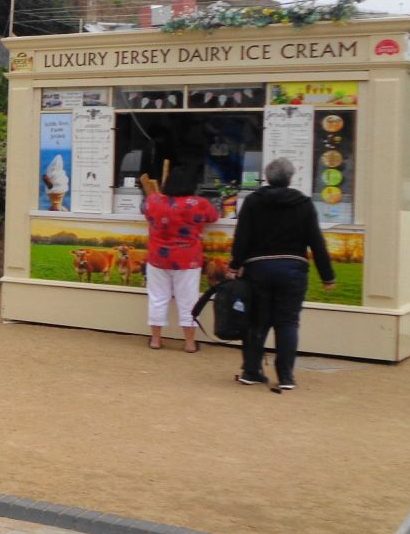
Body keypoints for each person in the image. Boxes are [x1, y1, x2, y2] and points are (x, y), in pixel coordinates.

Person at [229, 157, 336, 392]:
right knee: (287, 323)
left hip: (258, 269)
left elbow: (242, 237)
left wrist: (235, 265)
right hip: (293, 270)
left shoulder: (253, 202)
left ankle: (251, 371)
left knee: (258, 321)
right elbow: (316, 242)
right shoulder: (304, 203)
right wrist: (327, 276)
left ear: (267, 177)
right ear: (289, 178)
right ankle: (286, 376)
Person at [139, 165, 219, 352]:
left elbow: (143, 209)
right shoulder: (199, 203)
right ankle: (190, 343)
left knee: (157, 298)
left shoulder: (153, 201)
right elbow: (214, 216)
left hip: (158, 259)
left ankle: (156, 340)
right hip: (188, 260)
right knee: (188, 300)